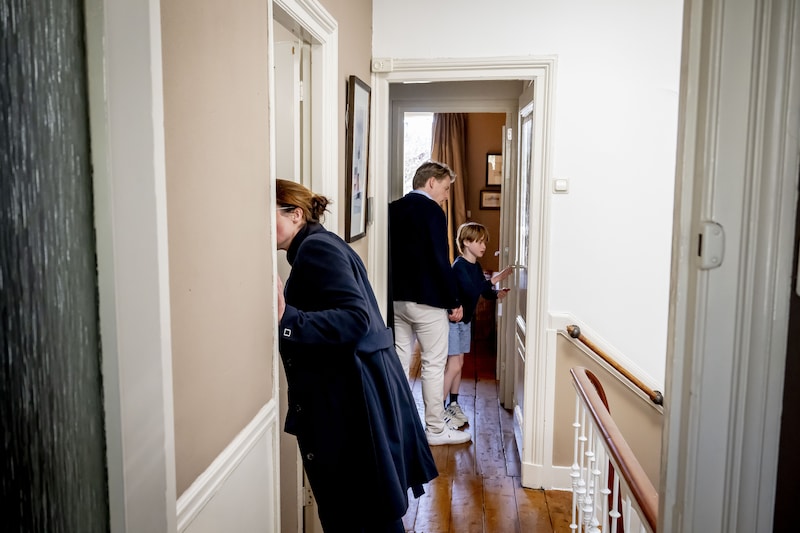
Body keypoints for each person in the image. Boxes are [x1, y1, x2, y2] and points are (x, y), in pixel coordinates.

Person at [275, 179, 437, 532]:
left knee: (359, 513)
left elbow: (354, 318)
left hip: (350, 401)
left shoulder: (316, 249)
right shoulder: (321, 243)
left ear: (295, 214)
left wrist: (287, 319)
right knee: (369, 510)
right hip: (356, 394)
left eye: (266, 214)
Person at [389, 160, 470, 445]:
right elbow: (440, 258)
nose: (446, 196)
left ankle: (397, 426)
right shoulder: (433, 211)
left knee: (399, 363)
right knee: (434, 365)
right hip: (428, 301)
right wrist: (453, 300)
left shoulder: (393, 208)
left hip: (396, 300)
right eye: (445, 188)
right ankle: (435, 429)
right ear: (431, 182)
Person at [443, 222, 513, 428]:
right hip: (453, 322)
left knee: (459, 364)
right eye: (479, 242)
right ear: (466, 242)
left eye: (484, 242)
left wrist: (496, 293)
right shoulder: (459, 266)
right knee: (453, 365)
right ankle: (436, 412)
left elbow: (483, 291)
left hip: (465, 322)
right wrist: (495, 279)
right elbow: (471, 289)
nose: (484, 246)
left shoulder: (475, 266)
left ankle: (452, 404)